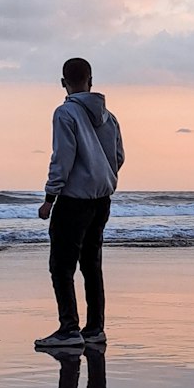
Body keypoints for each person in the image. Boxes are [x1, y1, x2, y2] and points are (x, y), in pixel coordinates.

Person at [35, 57, 125, 351]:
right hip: (101, 200)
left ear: (63, 82)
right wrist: (102, 175)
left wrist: (50, 197)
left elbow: (63, 157)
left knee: (61, 266)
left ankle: (69, 328)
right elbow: (119, 156)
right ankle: (95, 328)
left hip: (73, 201)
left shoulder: (65, 114)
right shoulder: (109, 117)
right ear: (91, 80)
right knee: (91, 264)